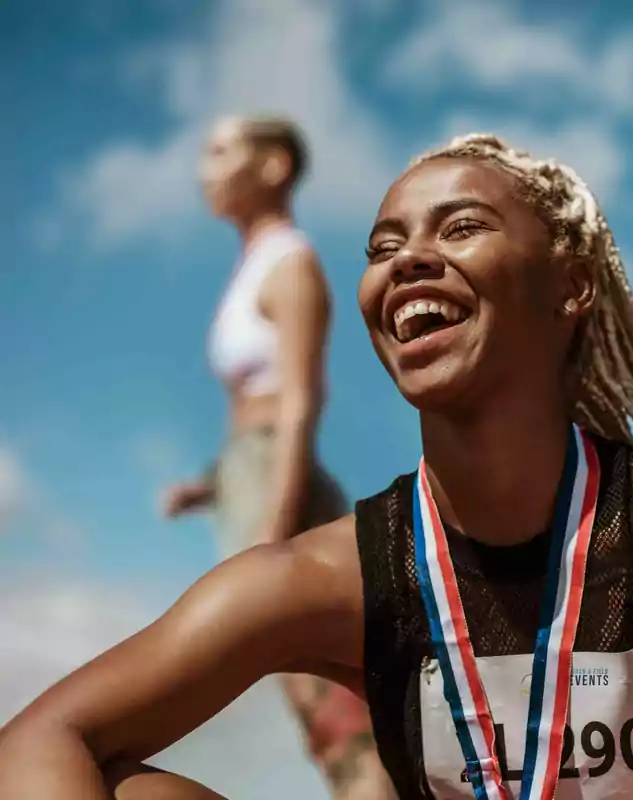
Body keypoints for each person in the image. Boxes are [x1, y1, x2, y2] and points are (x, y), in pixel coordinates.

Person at [0, 134, 633, 799]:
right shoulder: (330, 576)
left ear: (570, 283)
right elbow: (46, 736)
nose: (408, 260)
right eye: (384, 245)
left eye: (459, 228)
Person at [159, 116, 395, 800]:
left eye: (221, 148)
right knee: (310, 692)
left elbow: (298, 400)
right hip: (248, 473)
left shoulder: (290, 262)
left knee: (333, 700)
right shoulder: (253, 265)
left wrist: (273, 526)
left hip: (273, 480)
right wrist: (209, 487)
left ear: (274, 165)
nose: (205, 166)